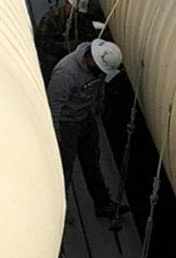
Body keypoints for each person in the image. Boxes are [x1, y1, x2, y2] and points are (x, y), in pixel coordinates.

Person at [47, 37, 128, 220]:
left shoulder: (96, 69)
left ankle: (103, 204)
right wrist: (56, 136)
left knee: (92, 162)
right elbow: (53, 107)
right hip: (67, 124)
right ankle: (57, 213)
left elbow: (99, 84)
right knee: (64, 170)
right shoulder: (66, 73)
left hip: (85, 119)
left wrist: (99, 103)